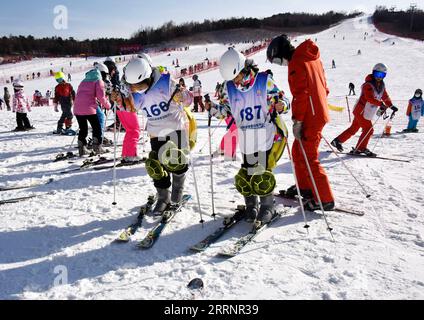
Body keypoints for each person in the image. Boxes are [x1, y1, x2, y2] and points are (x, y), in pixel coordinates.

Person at [205, 47, 290, 225]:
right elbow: (226, 111)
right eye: (231, 79)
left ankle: (267, 206)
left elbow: (283, 100)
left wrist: (281, 104)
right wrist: (212, 108)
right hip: (246, 139)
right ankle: (251, 205)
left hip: (265, 136)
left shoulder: (263, 80)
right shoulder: (229, 87)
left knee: (261, 174)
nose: (235, 81)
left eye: (236, 77)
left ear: (243, 68)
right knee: (246, 174)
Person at [112, 56, 193, 215]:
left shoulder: (166, 82)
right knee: (156, 166)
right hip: (155, 134)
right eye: (133, 86)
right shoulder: (134, 92)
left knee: (177, 162)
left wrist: (182, 96)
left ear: (148, 77)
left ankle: (177, 192)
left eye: (138, 85)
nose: (135, 89)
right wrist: (119, 101)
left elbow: (188, 99)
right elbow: (130, 107)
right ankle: (163, 197)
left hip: (175, 130)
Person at [267, 34, 335, 211]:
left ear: (281, 52)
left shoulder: (297, 62)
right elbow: (323, 86)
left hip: (310, 115)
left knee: (309, 156)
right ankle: (305, 188)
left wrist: (298, 120)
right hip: (316, 112)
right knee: (298, 152)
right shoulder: (310, 58)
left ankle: (325, 199)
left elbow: (301, 95)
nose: (281, 65)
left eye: (277, 60)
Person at [331, 63, 398, 157]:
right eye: (377, 74)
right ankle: (360, 148)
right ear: (373, 73)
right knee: (368, 129)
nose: (379, 77)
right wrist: (381, 104)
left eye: (382, 75)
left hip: (366, 111)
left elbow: (385, 96)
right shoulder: (368, 85)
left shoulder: (381, 85)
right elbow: (369, 98)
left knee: (354, 128)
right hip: (361, 110)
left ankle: (337, 141)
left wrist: (390, 105)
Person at [73, 67, 111, 156]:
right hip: (89, 108)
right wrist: (108, 105)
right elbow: (101, 97)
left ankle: (82, 149)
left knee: (83, 129)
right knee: (96, 127)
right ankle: (97, 147)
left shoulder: (83, 81)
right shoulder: (98, 81)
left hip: (77, 108)